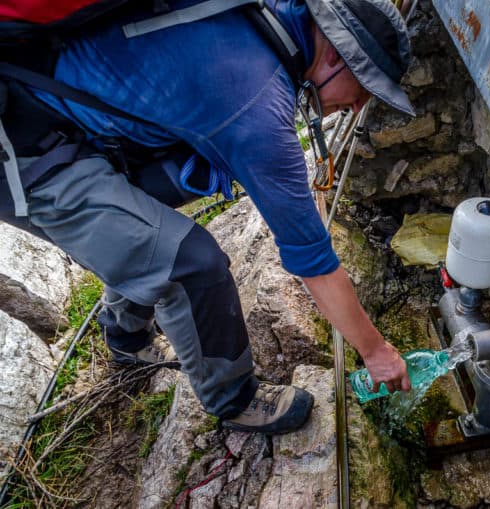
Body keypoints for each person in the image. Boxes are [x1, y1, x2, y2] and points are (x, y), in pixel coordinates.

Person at [0, 0, 414, 434]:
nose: (353, 107)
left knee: (147, 227)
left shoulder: (258, 15)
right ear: (335, 55)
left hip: (62, 105)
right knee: (193, 266)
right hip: (24, 150)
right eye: (362, 90)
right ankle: (233, 400)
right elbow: (314, 263)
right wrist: (377, 352)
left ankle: (126, 340)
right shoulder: (257, 102)